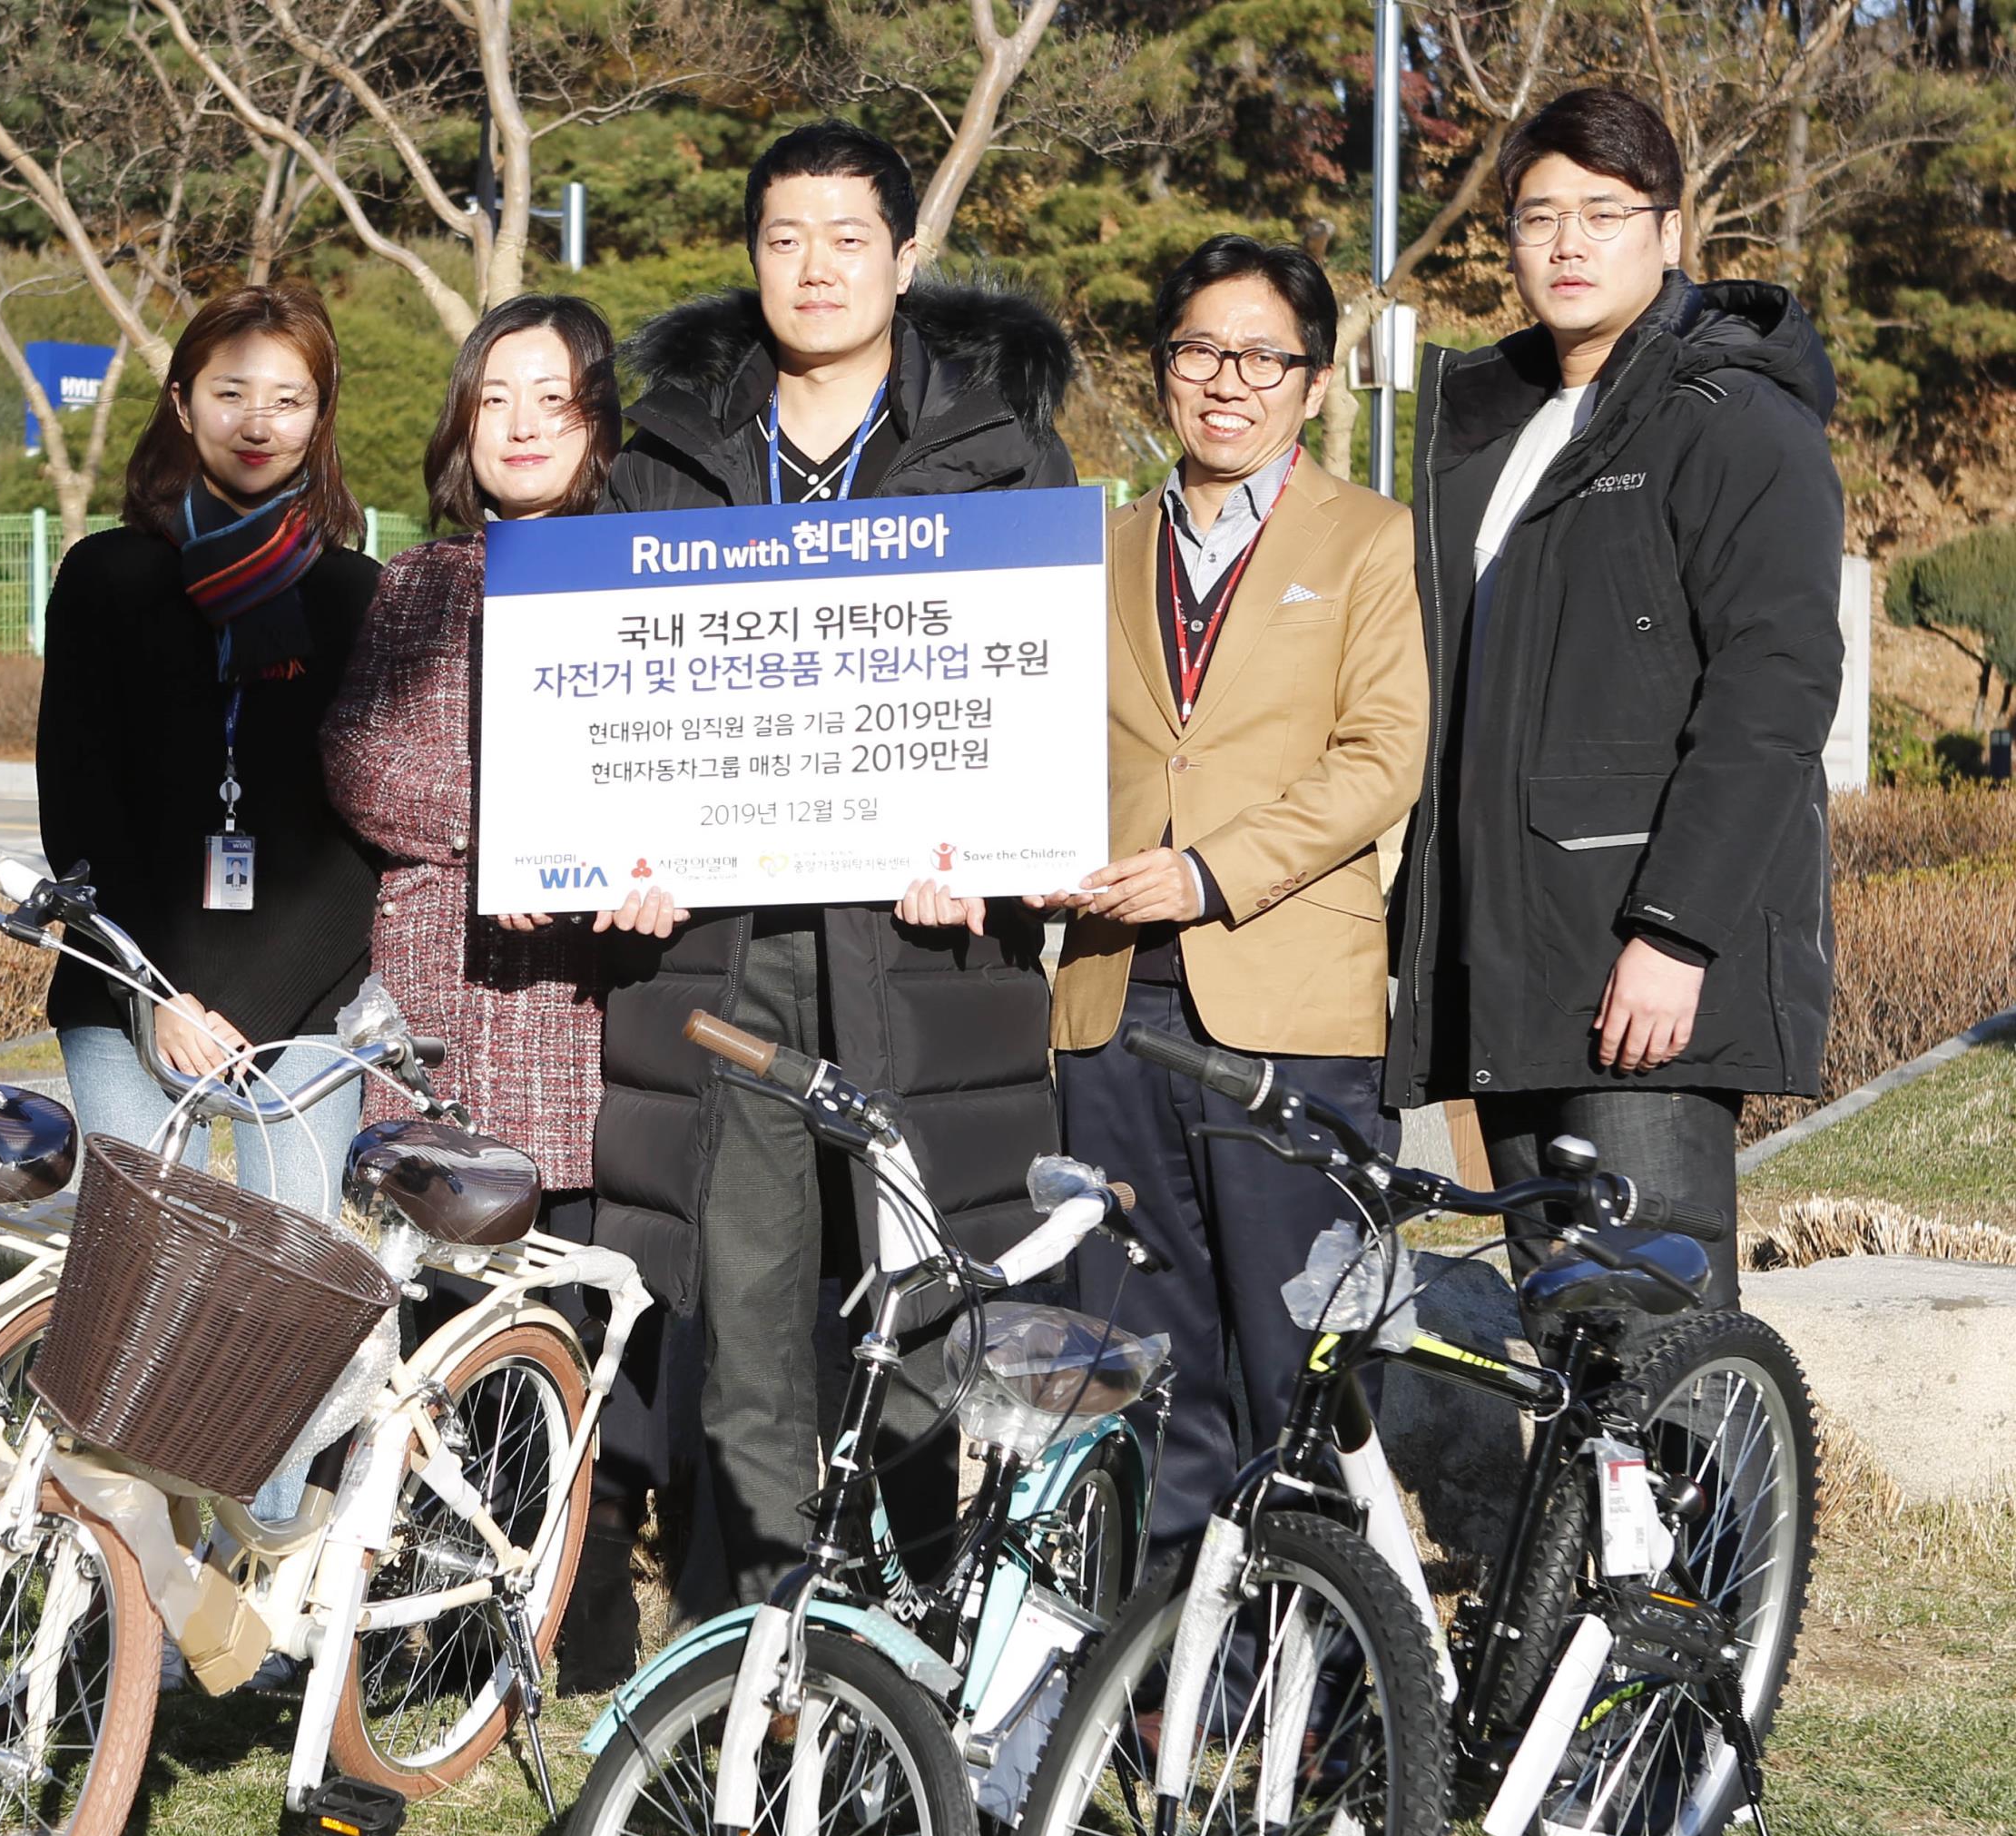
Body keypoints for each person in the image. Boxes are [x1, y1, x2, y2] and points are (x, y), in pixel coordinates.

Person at [595, 119, 1074, 1609]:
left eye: (848, 238)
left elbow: (1037, 697)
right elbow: (611, 688)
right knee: (742, 1313)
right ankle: (749, 1648)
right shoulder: (666, 457)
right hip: (725, 954)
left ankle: (915, 1642)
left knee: (924, 1307)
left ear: (905, 259)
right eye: (785, 238)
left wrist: (995, 851)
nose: (816, 267)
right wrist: (622, 841)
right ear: (752, 257)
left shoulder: (999, 456)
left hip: (920, 952)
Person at [1386, 85, 1842, 1338]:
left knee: (1659, 1337)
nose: (1570, 242)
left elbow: (1776, 688)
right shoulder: (1498, 431)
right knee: (1571, 1340)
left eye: (1604, 211)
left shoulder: (1737, 419)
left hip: (1642, 964)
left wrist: (1678, 932)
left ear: (1672, 230)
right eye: (1540, 215)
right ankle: (1596, 1550)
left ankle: (1728, 1543)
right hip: (1513, 959)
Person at [1028, 236, 1428, 1557]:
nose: (1228, 382)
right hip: (1108, 1000)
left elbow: (1384, 756)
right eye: (1200, 351)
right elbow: (1034, 743)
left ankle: (1309, 1683)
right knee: (1143, 1353)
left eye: (1264, 358)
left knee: (1294, 1359)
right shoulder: (1099, 545)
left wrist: (1207, 872)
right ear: (1165, 371)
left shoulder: (1372, 541)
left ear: (1312, 383)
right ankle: (1157, 1681)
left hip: (1286, 1004)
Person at [321, 292, 664, 1690]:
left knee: (571, 1318)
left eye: (554, 398)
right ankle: (436, 1622)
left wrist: (621, 853)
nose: (521, 424)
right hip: (442, 984)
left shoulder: (646, 573)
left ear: (595, 423)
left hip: (593, 999)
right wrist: (500, 832)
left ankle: (572, 1619)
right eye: (496, 396)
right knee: (432, 1316)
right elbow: (355, 761)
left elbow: (686, 764)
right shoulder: (412, 582)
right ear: (464, 418)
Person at [35, 283, 381, 1227]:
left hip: (308, 990)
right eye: (230, 393)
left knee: (293, 1278)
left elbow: (359, 836)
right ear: (183, 405)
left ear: (319, 417)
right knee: (137, 1268)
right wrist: (161, 991)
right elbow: (79, 804)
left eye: (288, 398)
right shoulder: (105, 578)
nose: (257, 422)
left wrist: (255, 1006)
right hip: (128, 980)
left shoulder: (357, 595)